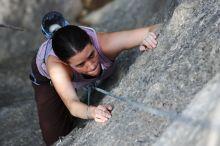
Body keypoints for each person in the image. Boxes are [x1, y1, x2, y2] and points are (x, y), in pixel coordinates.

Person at [30, 11, 159, 145]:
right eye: (81, 64)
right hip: (45, 78)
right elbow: (72, 105)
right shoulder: (57, 69)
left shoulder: (105, 43)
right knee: (54, 138)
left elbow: (153, 28)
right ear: (65, 64)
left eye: (91, 55)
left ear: (92, 42)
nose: (91, 66)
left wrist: (148, 38)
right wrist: (92, 111)